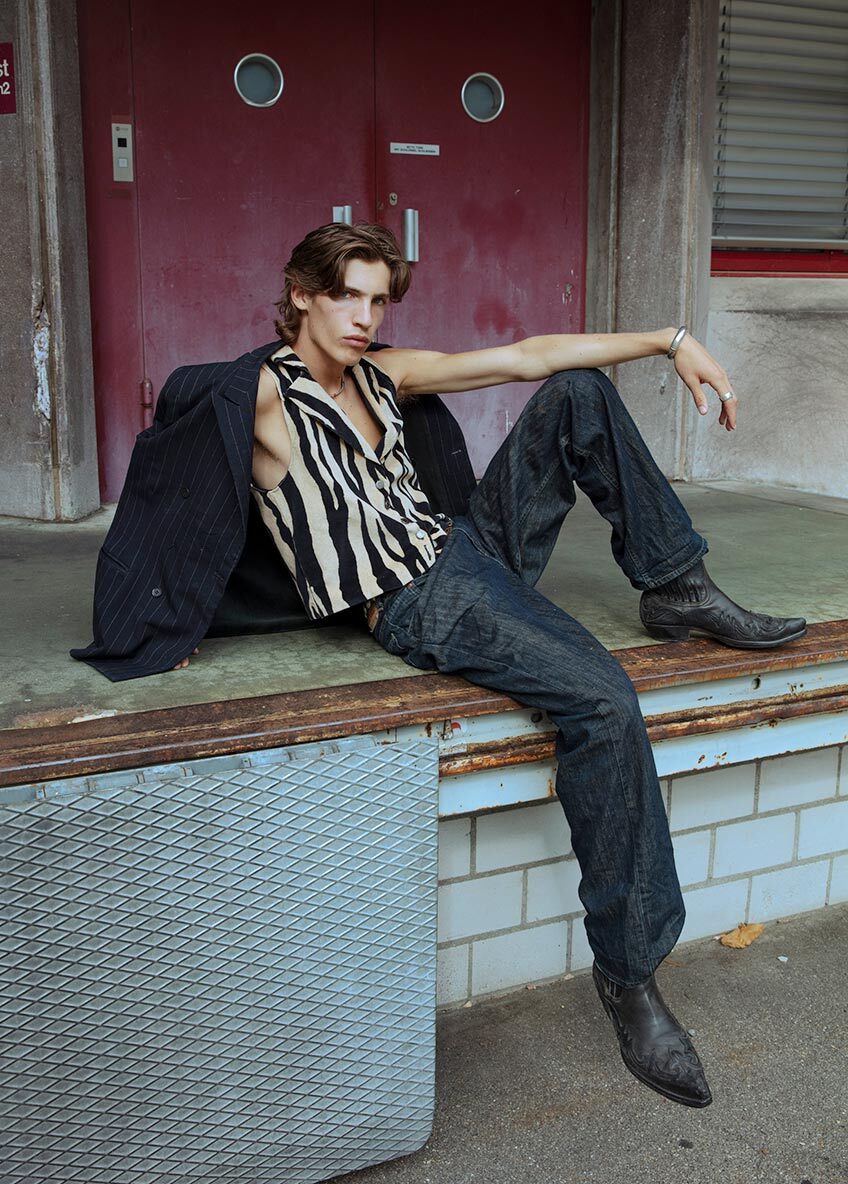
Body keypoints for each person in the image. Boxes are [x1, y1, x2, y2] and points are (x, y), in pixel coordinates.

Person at [234, 221, 807, 1109]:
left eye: (377, 300)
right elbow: (183, 447)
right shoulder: (265, 395)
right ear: (301, 294)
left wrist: (669, 341)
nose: (363, 317)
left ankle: (677, 586)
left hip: (465, 543)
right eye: (344, 295)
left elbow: (527, 355)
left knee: (575, 391)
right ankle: (629, 974)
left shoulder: (381, 374)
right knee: (604, 701)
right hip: (418, 597)